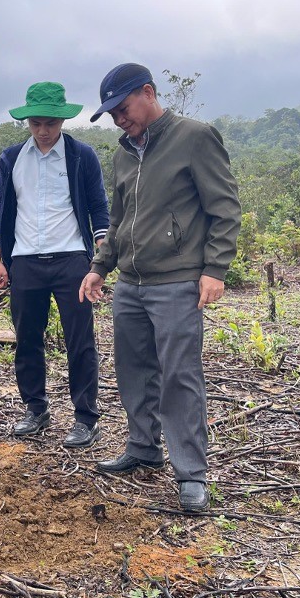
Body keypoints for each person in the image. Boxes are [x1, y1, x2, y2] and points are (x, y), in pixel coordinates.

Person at [79, 63, 241, 511]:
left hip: (176, 281)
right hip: (130, 282)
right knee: (133, 370)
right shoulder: (123, 153)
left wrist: (215, 268)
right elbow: (118, 220)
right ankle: (142, 447)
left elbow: (225, 208)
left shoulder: (194, 137)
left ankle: (191, 472)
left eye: (123, 108)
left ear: (148, 92)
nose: (118, 119)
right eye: (111, 113)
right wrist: (99, 266)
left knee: (179, 375)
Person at [0, 82, 110, 447]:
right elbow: (2, 212)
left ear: (62, 120)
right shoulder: (11, 158)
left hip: (72, 260)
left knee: (80, 340)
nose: (43, 131)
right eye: (37, 123)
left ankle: (86, 418)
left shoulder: (81, 156)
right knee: (27, 338)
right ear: (27, 120)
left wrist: (100, 262)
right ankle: (36, 408)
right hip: (25, 260)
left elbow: (99, 208)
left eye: (51, 123)